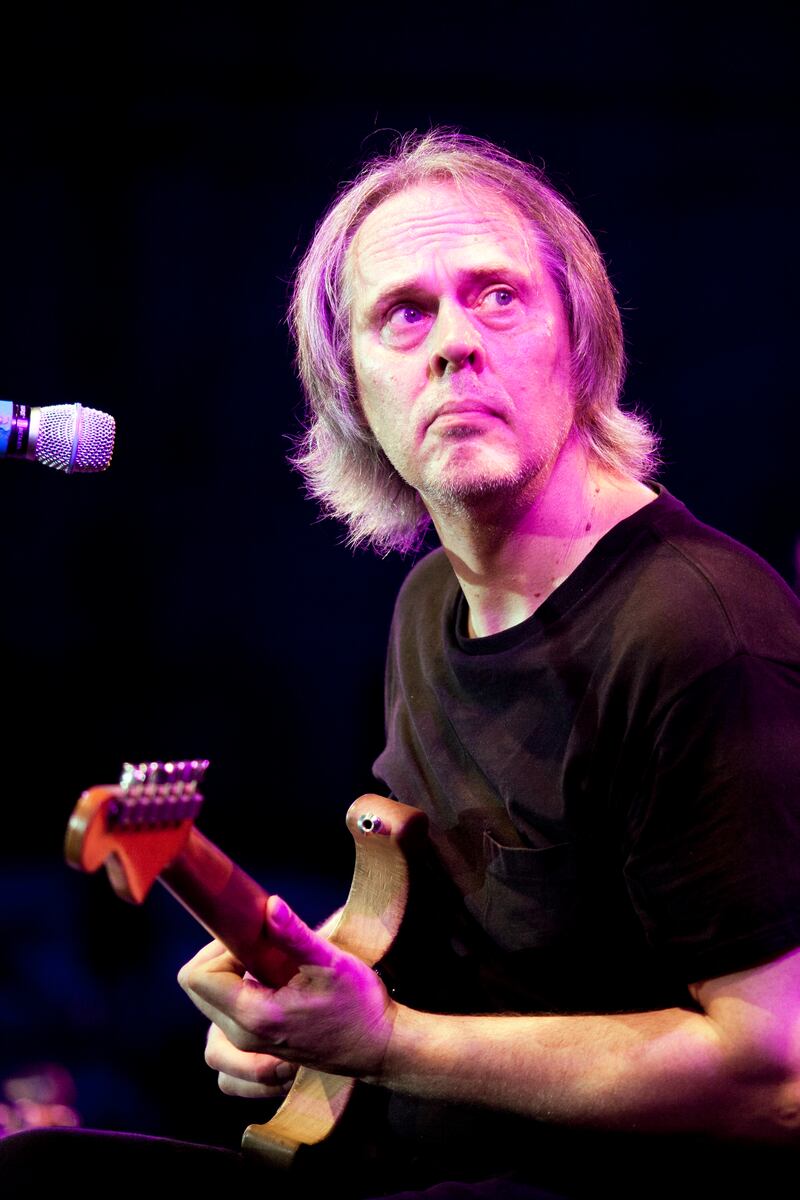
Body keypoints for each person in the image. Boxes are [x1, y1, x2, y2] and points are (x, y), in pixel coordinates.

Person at [3, 129, 799, 1199]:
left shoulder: (696, 633)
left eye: (498, 297)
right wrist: (288, 995)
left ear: (580, 341)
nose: (453, 344)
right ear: (350, 392)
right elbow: (432, 921)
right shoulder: (431, 602)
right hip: (404, 1162)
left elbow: (777, 1073)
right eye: (404, 314)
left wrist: (385, 1045)